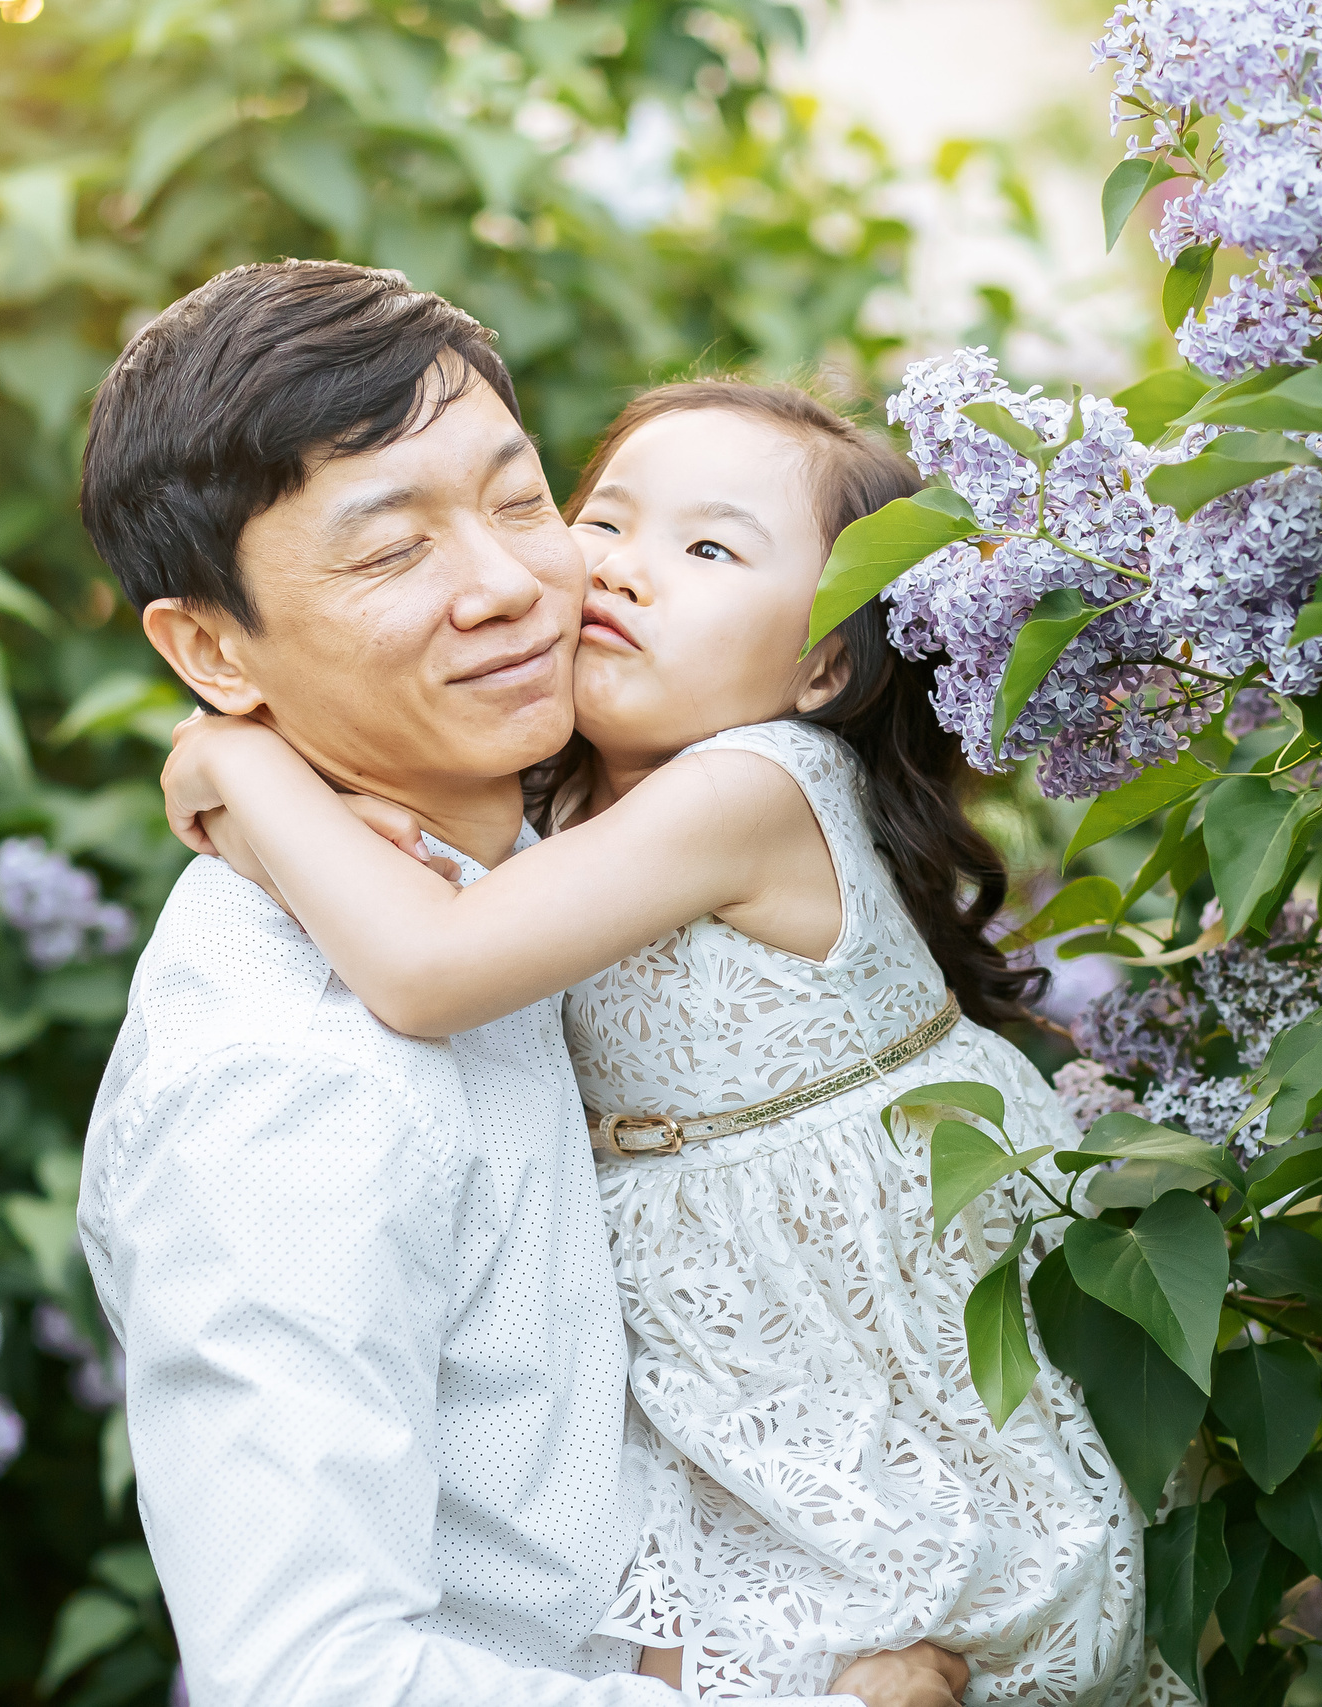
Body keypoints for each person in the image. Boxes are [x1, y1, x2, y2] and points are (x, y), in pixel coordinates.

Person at [163, 379, 1150, 1702]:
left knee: (904, 1651)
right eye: (600, 519)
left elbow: (428, 966)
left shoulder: (752, 786)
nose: (622, 572)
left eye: (709, 550)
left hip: (854, 1369)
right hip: (717, 1372)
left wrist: (241, 768)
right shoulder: (556, 774)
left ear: (821, 666)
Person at [74, 260, 969, 1707]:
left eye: (517, 500)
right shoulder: (282, 1087)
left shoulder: (562, 853)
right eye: (390, 553)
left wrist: (231, 760)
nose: (514, 587)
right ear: (208, 649)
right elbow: (310, 1679)